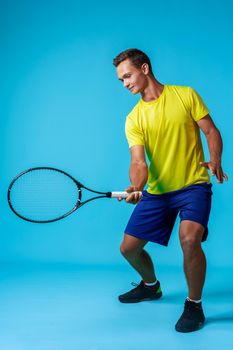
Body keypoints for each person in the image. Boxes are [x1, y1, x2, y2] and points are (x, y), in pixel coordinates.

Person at [113, 48, 228, 333]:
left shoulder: (185, 95)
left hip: (193, 186)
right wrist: (137, 187)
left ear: (145, 69)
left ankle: (194, 304)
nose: (125, 83)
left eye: (127, 75)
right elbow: (138, 162)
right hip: (158, 192)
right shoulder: (134, 118)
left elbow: (211, 131)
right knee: (128, 250)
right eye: (121, 80)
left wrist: (215, 159)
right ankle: (151, 286)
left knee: (189, 240)